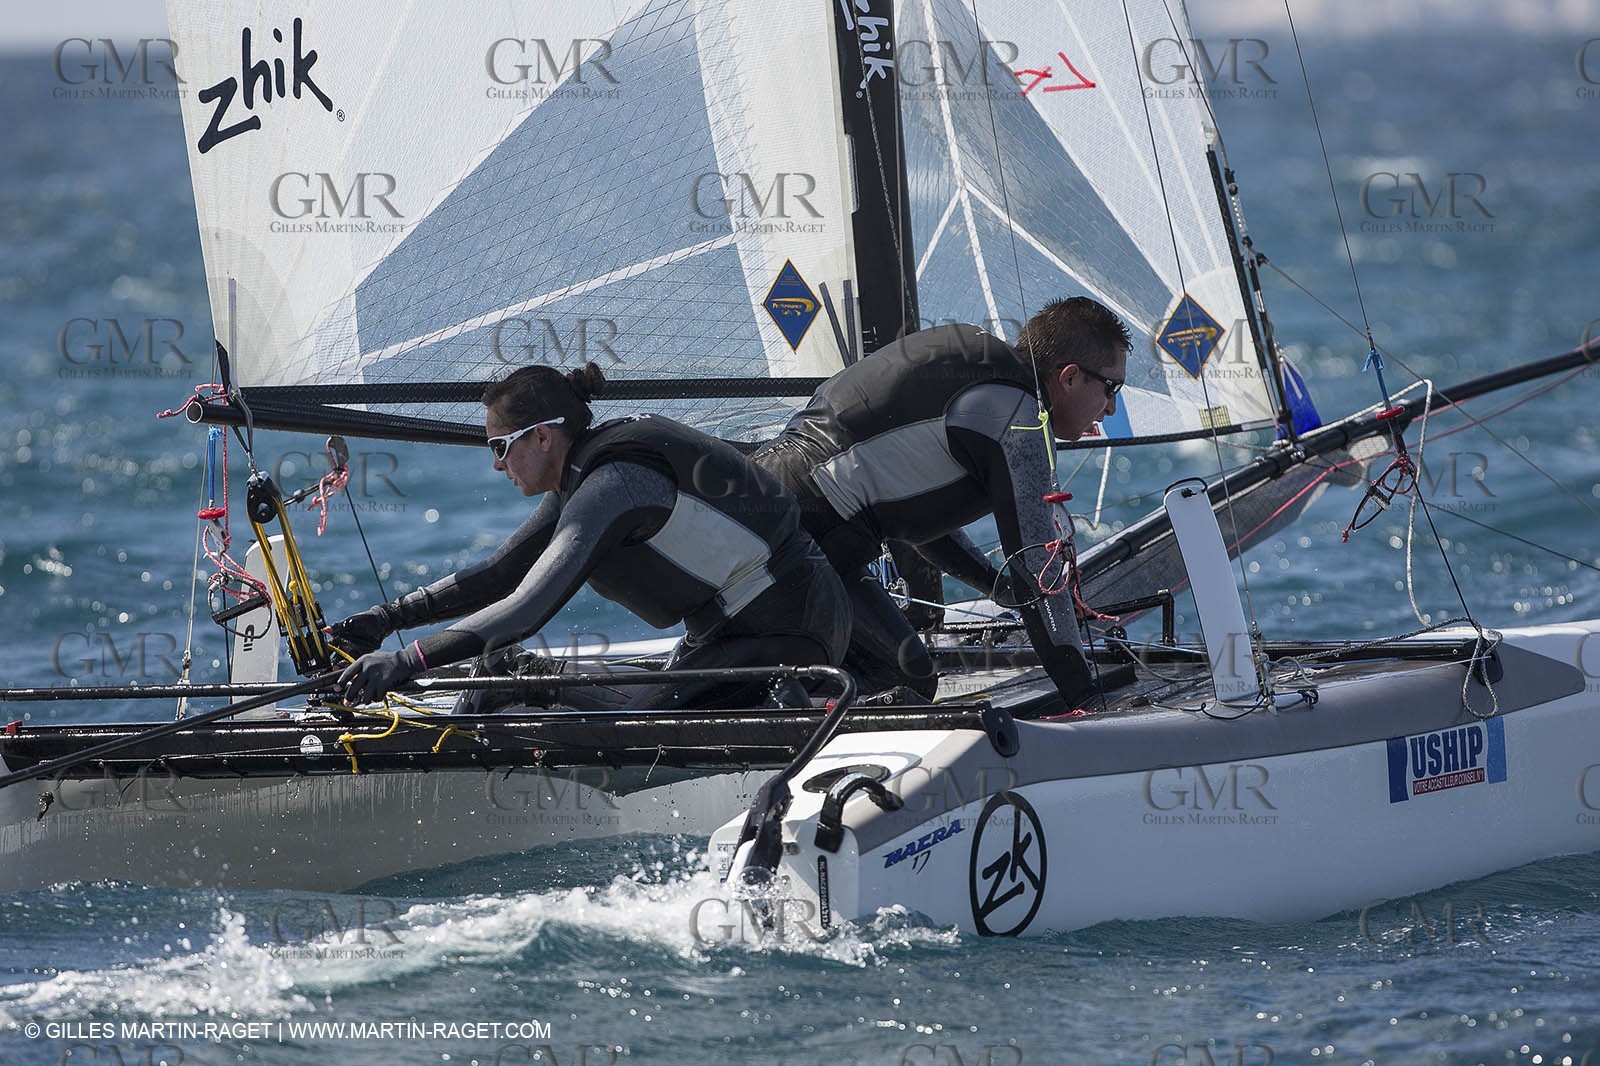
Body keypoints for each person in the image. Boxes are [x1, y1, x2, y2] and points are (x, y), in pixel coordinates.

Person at [331, 363, 849, 710]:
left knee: (639, 727)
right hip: (732, 634)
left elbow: (526, 609)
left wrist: (407, 661)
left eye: (499, 446)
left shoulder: (615, 483)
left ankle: (519, 681)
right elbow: (500, 574)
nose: (496, 465)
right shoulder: (584, 477)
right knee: (635, 701)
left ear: (541, 436)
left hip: (787, 632)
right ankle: (518, 680)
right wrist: (385, 619)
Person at [752, 296, 1130, 706]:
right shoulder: (1017, 416)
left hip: (781, 523)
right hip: (788, 541)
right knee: (899, 678)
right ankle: (765, 707)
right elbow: (1036, 569)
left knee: (908, 674)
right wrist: (1085, 699)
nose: (1111, 407)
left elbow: (921, 526)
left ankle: (776, 694)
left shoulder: (987, 374)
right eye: (1111, 388)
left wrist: (999, 588)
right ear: (1070, 377)